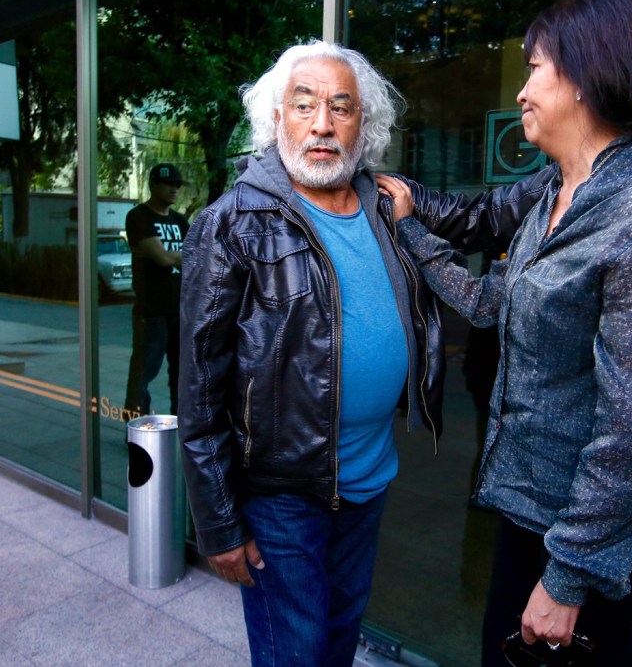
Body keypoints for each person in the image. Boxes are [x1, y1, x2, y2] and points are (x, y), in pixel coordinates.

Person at [378, 0, 632, 667]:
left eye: (536, 67)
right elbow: (488, 304)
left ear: (586, 78)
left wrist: (568, 577)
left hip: (590, 541)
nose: (524, 90)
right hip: (533, 510)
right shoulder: (556, 192)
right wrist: (412, 231)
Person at [176, 40, 537, 667]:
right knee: (297, 651)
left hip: (367, 480)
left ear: (363, 126)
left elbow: (487, 217)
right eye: (305, 105)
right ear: (276, 120)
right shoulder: (232, 221)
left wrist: (583, 154)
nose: (322, 124)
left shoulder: (387, 200)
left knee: (340, 638)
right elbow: (199, 388)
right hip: (280, 493)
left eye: (341, 108)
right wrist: (217, 522)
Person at [123, 162, 188, 417]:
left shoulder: (180, 221)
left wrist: (172, 255)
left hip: (180, 311)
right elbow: (162, 258)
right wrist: (179, 255)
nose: (174, 189)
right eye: (168, 184)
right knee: (142, 374)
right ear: (153, 184)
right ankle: (135, 428)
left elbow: (202, 254)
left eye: (177, 185)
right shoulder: (138, 217)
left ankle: (181, 424)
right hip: (151, 312)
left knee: (181, 375)